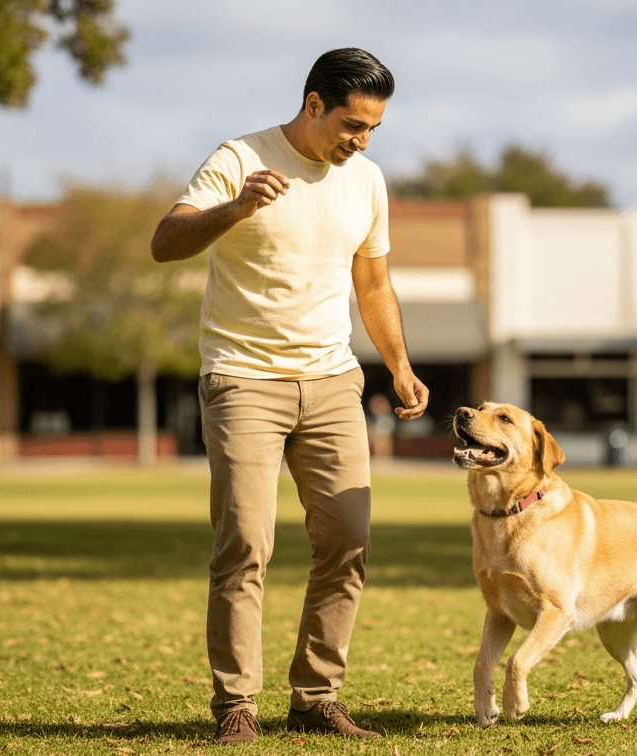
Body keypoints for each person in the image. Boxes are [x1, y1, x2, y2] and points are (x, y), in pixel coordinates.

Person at [150, 48, 429, 745]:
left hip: (333, 381)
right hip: (242, 377)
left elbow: (373, 283)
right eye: (351, 125)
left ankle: (315, 697)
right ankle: (236, 706)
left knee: (348, 541)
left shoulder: (366, 182)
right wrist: (237, 207)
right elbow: (165, 241)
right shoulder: (239, 157)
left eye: (372, 130)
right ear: (313, 104)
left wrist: (398, 364)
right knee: (246, 541)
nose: (360, 141)